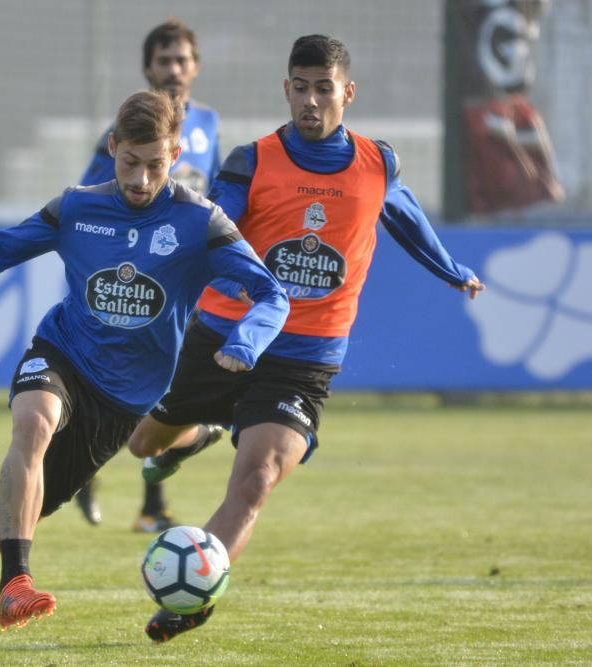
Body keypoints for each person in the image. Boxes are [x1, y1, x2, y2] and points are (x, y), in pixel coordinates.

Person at [0, 89, 289, 646]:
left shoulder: (201, 222)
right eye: (130, 163)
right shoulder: (76, 207)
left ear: (176, 154)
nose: (140, 180)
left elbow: (271, 294)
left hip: (121, 401)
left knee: (1, 526)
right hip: (62, 351)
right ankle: (16, 582)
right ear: (113, 147)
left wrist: (249, 341)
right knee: (33, 423)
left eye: (156, 165)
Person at [126, 35, 486, 642]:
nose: (311, 100)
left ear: (347, 93)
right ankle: (197, 435)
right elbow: (212, 225)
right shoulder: (253, 160)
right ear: (287, 90)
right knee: (143, 445)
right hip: (223, 334)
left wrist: (451, 269)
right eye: (301, 87)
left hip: (305, 357)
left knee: (257, 478)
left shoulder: (377, 163)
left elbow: (406, 217)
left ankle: (193, 598)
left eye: (324, 88)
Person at [76, 18, 224, 533]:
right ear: (148, 68)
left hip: (181, 282)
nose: (174, 69)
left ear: (196, 67)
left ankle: (149, 506)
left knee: (166, 391)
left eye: (182, 60)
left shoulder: (207, 124)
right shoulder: (126, 133)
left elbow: (218, 195)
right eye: (164, 60)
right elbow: (89, 195)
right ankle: (83, 462)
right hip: (131, 282)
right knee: (127, 389)